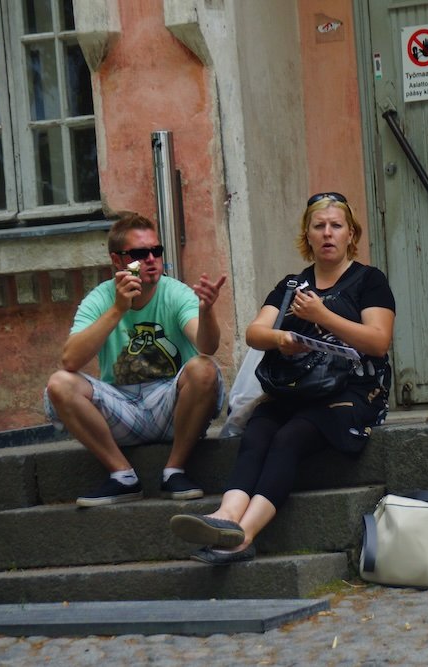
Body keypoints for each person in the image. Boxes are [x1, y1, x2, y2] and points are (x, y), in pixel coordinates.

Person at [169, 192, 395, 565]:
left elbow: (378, 341)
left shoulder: (369, 281)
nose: (327, 234)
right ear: (306, 235)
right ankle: (225, 517)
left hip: (351, 394)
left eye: (336, 226)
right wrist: (282, 339)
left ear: (351, 234)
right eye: (318, 226)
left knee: (289, 437)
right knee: (258, 432)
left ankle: (243, 537)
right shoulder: (292, 285)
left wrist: (323, 315)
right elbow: (255, 333)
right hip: (296, 390)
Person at [44, 212, 227, 507]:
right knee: (60, 384)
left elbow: (207, 346)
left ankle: (174, 471)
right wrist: (118, 309)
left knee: (204, 368)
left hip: (171, 406)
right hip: (121, 409)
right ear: (118, 261)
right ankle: (122, 476)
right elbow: (70, 360)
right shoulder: (101, 299)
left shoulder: (176, 292)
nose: (152, 259)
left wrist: (207, 312)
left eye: (156, 251)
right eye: (141, 254)